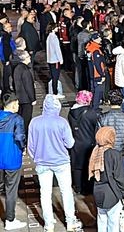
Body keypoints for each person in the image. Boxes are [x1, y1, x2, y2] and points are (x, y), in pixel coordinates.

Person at [28, 95, 82, 232]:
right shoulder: (61, 122)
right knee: (66, 192)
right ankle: (70, 222)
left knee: (45, 193)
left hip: (42, 163)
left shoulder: (34, 122)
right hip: (61, 162)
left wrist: (36, 158)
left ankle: (48, 224)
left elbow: (31, 146)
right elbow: (70, 144)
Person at [89, 126, 124, 232]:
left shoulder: (95, 152)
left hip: (98, 192)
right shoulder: (114, 154)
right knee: (113, 222)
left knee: (102, 220)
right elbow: (119, 177)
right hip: (112, 193)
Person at [0, 93, 27, 230]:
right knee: (11, 190)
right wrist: (23, 148)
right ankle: (10, 220)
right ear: (14, 104)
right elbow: (19, 137)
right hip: (12, 159)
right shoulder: (17, 119)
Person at [98, 91, 124, 178]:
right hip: (122, 154)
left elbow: (98, 138)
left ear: (108, 102)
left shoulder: (102, 117)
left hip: (107, 154)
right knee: (122, 181)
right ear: (123, 101)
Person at [13, 50, 35, 134]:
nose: (30, 58)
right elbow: (28, 86)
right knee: (26, 119)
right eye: (28, 57)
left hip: (19, 97)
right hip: (27, 99)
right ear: (25, 58)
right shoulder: (26, 70)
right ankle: (24, 136)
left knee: (20, 116)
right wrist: (33, 99)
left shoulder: (17, 68)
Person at [45, 23, 63, 95]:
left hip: (50, 59)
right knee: (56, 77)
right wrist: (60, 59)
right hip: (55, 60)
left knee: (53, 76)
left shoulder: (49, 37)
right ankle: (55, 92)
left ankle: (53, 91)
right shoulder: (54, 37)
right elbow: (57, 49)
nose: (57, 28)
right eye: (56, 27)